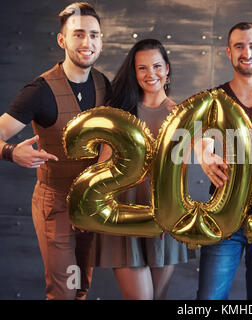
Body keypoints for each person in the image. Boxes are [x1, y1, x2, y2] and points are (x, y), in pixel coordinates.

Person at [0, 3, 110, 299]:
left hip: (90, 203)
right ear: (62, 40)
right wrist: (10, 152)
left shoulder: (103, 84)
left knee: (81, 287)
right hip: (56, 204)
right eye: (78, 35)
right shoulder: (39, 90)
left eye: (94, 35)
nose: (87, 43)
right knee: (64, 290)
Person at [92, 39, 194, 300]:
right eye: (142, 68)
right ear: (134, 73)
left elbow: (180, 172)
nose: (151, 74)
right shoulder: (119, 112)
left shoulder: (182, 115)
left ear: (168, 69)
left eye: (157, 66)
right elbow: (103, 166)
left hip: (163, 219)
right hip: (124, 217)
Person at [194, 22, 252, 300]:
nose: (247, 52)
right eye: (239, 46)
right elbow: (198, 136)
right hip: (224, 217)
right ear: (228, 52)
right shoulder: (214, 99)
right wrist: (203, 153)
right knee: (208, 299)